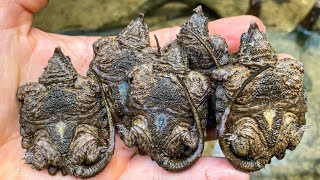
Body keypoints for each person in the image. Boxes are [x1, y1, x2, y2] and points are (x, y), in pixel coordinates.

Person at [0, 0, 293, 179]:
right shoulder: (170, 76)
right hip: (148, 117)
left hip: (147, 119)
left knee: (137, 127)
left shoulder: (146, 74)